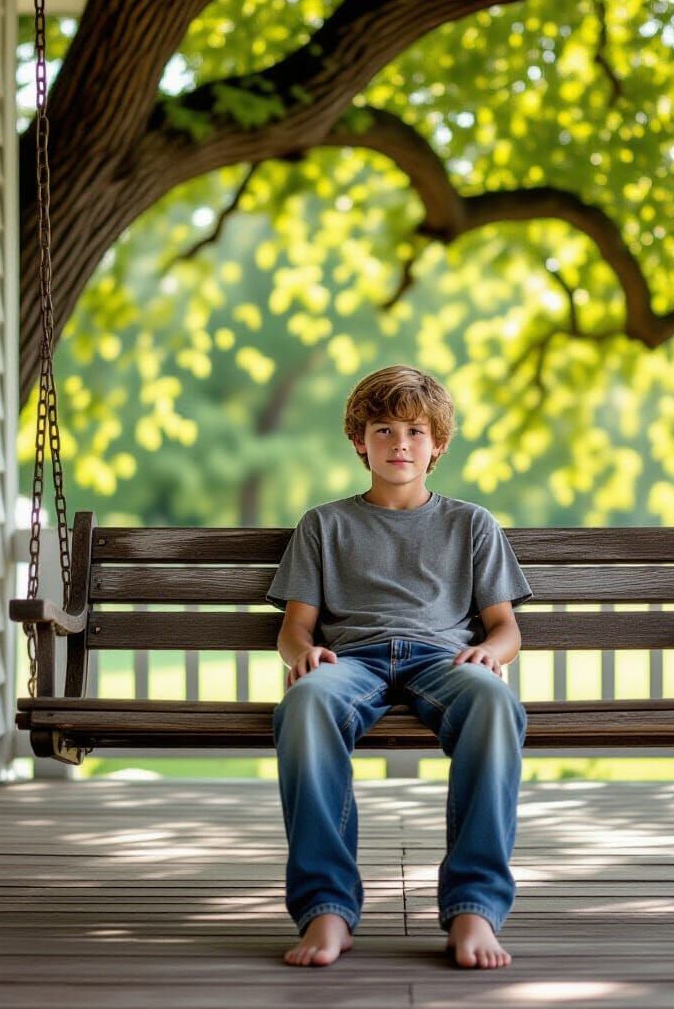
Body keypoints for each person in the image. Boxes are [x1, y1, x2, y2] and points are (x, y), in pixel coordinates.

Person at [265, 364, 532, 969]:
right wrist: (301, 654)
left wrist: (491, 653)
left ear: (437, 443)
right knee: (304, 703)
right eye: (383, 430)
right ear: (360, 441)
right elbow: (295, 629)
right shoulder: (324, 525)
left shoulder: (471, 524)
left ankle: (474, 907)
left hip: (444, 660)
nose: (400, 444)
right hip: (351, 661)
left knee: (494, 702)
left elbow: (505, 628)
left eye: (414, 431)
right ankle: (326, 908)